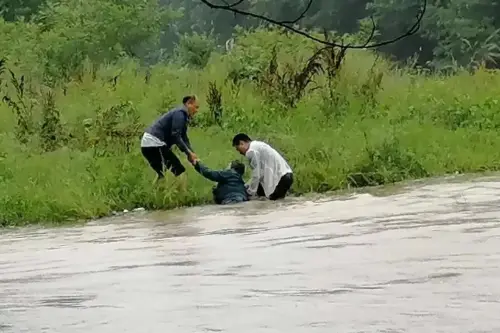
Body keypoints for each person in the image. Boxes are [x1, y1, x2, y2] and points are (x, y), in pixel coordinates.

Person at [140, 95, 199, 180]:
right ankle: (183, 193)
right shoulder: (180, 114)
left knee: (161, 174)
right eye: (196, 107)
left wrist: (191, 153)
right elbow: (176, 136)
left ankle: (154, 192)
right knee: (179, 171)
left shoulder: (182, 115)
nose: (197, 111)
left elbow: (184, 137)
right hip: (154, 143)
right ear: (188, 103)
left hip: (146, 144)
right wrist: (188, 153)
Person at [232, 133, 293, 201]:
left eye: (238, 149)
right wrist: (248, 185)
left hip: (280, 179)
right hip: (286, 175)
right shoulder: (258, 145)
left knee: (272, 204)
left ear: (242, 143)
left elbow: (256, 175)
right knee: (275, 203)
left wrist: (250, 192)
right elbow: (260, 173)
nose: (239, 152)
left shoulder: (251, 151)